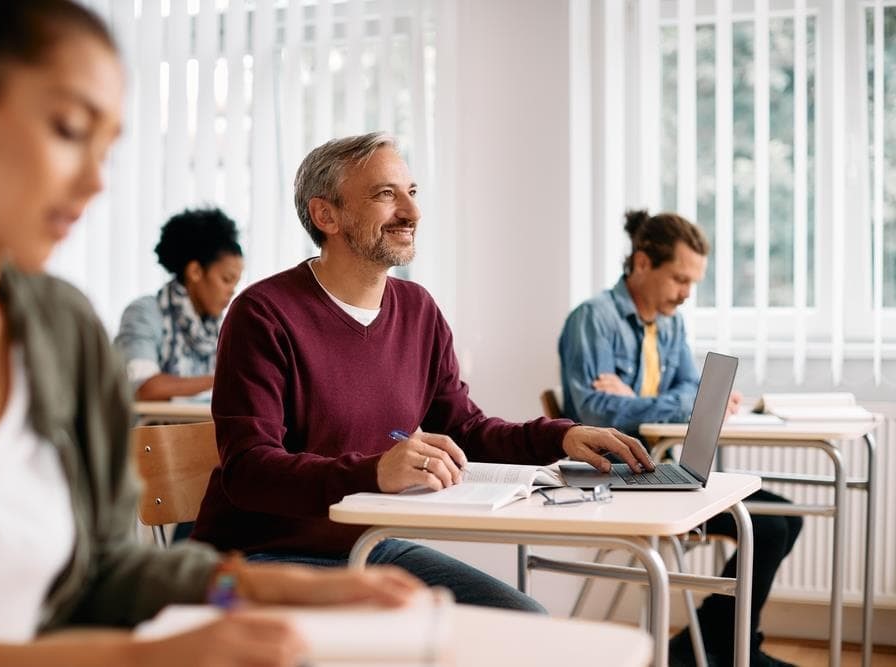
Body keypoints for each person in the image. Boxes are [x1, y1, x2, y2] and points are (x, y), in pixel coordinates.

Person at [0, 2, 421, 666]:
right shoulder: (242, 315)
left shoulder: (61, 328)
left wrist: (248, 584)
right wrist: (127, 658)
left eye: (107, 149)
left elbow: (107, 568)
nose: (94, 181)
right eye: (67, 129)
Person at [191, 132, 655, 614]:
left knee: (522, 619)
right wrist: (375, 471)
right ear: (325, 215)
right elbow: (248, 470)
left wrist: (563, 437)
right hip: (261, 557)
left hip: (367, 545)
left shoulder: (418, 310)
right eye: (385, 195)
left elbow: (465, 429)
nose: (412, 213)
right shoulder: (263, 314)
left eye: (411, 193)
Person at [559, 210, 803, 667]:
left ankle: (712, 645)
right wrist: (669, 403)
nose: (687, 293)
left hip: (658, 469)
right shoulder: (593, 319)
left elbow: (690, 388)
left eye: (693, 281)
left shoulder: (669, 323)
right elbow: (592, 412)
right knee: (767, 526)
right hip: (614, 479)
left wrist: (637, 398)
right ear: (642, 263)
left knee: (785, 519)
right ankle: (729, 648)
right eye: (679, 278)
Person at [115, 207, 244, 401]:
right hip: (151, 430)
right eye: (226, 279)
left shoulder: (219, 328)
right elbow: (144, 386)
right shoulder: (144, 313)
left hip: (201, 429)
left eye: (236, 283)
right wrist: (225, 380)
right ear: (195, 272)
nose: (232, 291)